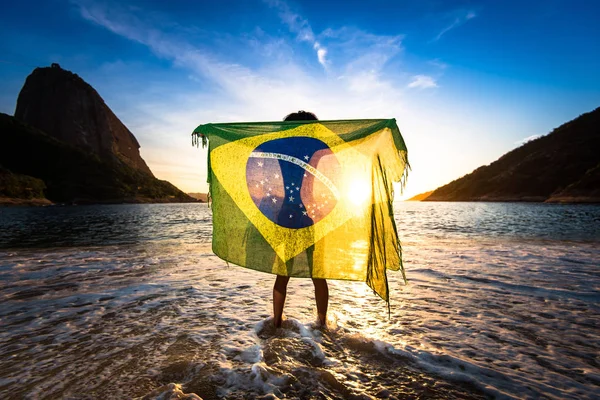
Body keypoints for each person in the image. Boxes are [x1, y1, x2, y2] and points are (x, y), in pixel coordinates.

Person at [273, 110, 329, 328]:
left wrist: (212, 134)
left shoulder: (279, 147)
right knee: (318, 274)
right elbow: (344, 142)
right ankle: (322, 324)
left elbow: (247, 143)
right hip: (308, 213)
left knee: (282, 274)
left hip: (286, 213)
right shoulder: (315, 147)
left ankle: (276, 322)